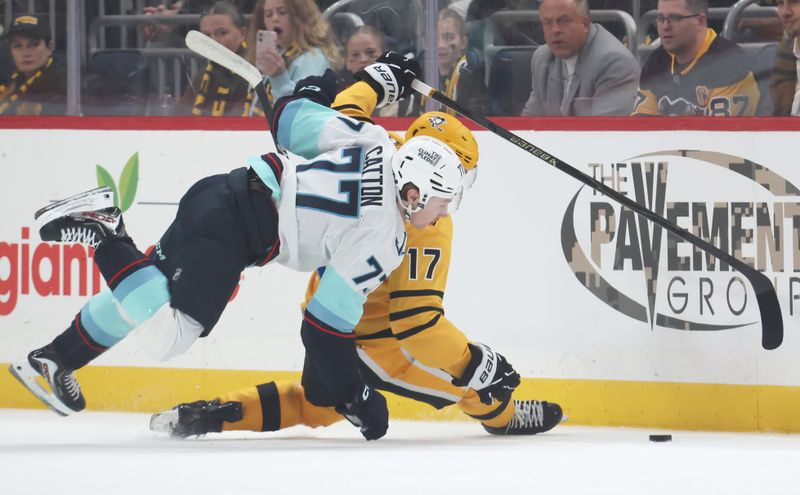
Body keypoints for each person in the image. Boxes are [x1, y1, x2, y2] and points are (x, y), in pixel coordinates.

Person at [8, 53, 471, 442]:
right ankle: (106, 228)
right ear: (413, 193)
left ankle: (54, 359)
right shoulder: (385, 238)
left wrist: (312, 91)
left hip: (221, 191)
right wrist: (356, 397)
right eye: (442, 202)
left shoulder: (374, 141)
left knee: (145, 286)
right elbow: (324, 328)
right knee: (170, 335)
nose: (444, 214)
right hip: (234, 232)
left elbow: (288, 122)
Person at [149, 75, 565, 440]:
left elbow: (348, 107)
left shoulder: (378, 141)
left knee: (317, 404)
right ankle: (502, 417)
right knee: (475, 385)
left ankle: (207, 416)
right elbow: (416, 323)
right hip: (366, 337)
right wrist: (477, 362)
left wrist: (380, 77)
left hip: (324, 302)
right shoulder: (428, 221)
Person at [632, 0, 760, 116]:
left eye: (675, 18)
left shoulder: (730, 61)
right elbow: (642, 129)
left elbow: (719, 135)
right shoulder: (655, 62)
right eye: (660, 18)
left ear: (700, 21)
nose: (665, 26)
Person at [521, 0, 640, 116]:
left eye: (563, 21)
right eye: (547, 22)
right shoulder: (542, 58)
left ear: (585, 24)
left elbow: (603, 131)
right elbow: (529, 121)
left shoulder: (614, 63)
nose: (555, 30)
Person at [246, 0, 343, 104]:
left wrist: (279, 78)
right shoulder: (276, 53)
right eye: (268, 14)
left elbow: (304, 110)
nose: (274, 19)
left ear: (300, 16)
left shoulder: (312, 59)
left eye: (282, 12)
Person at [181, 1, 261, 116]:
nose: (213, 41)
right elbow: (183, 113)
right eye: (206, 36)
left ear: (243, 34)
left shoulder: (257, 72)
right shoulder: (202, 75)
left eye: (222, 33)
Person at [415, 8, 490, 117]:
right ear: (425, 43)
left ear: (463, 43)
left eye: (448, 37)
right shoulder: (420, 77)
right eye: (434, 38)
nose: (441, 45)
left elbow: (477, 122)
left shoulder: (471, 79)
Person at [0, 14, 66, 116]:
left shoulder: (62, 84)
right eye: (17, 46)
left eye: (34, 44)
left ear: (50, 48)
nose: (25, 53)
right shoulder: (13, 79)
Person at [771, 0, 800, 116]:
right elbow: (777, 113)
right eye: (780, 3)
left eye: (794, 2)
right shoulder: (785, 51)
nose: (785, 12)